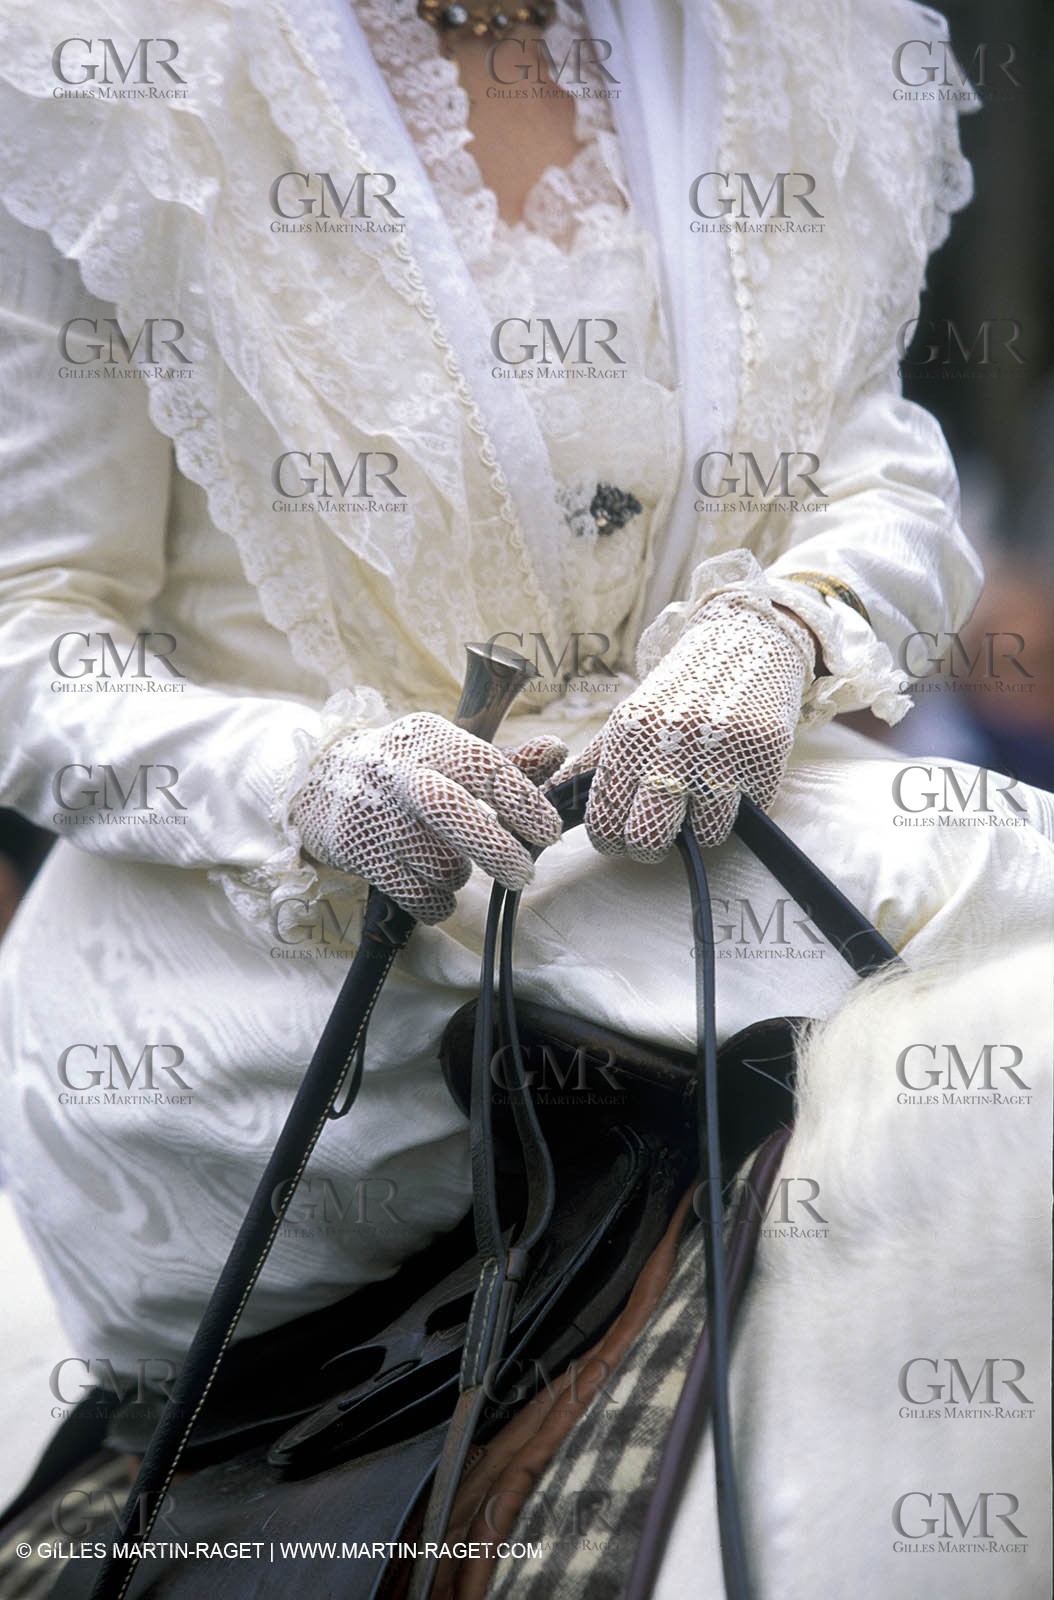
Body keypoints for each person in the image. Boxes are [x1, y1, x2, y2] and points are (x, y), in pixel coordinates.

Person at [0, 0, 1014, 1385]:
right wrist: (312, 780)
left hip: (729, 834)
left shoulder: (794, 40)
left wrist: (790, 620)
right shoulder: (106, 70)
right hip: (280, 950)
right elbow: (33, 628)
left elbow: (877, 461)